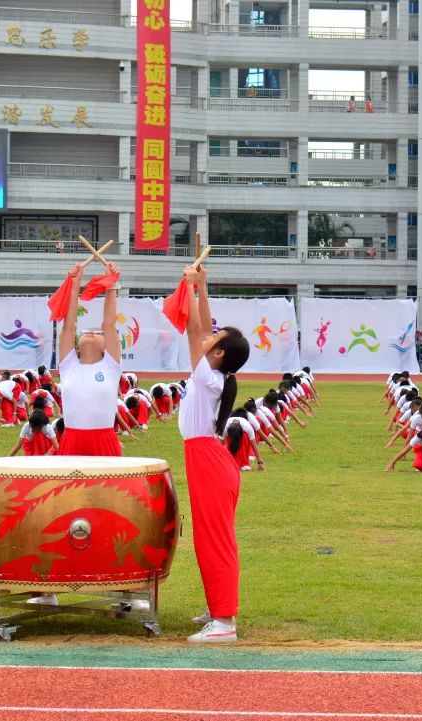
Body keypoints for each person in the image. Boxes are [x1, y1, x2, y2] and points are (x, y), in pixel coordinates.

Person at [177, 263, 251, 644]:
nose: (208, 337)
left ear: (219, 353)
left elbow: (194, 330)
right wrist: (203, 287)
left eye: (215, 339)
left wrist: (189, 287)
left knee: (214, 538)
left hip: (208, 460)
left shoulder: (207, 376)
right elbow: (204, 329)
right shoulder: (214, 374)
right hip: (208, 457)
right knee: (210, 537)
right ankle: (217, 608)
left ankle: (224, 622)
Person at [55, 260, 124, 456]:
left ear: (106, 347)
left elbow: (109, 324)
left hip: (104, 440)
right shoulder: (68, 366)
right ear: (77, 345)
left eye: (97, 332)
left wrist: (110, 285)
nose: (91, 333)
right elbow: (69, 326)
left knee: (108, 487)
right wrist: (75, 284)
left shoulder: (110, 367)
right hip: (71, 439)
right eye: (86, 332)